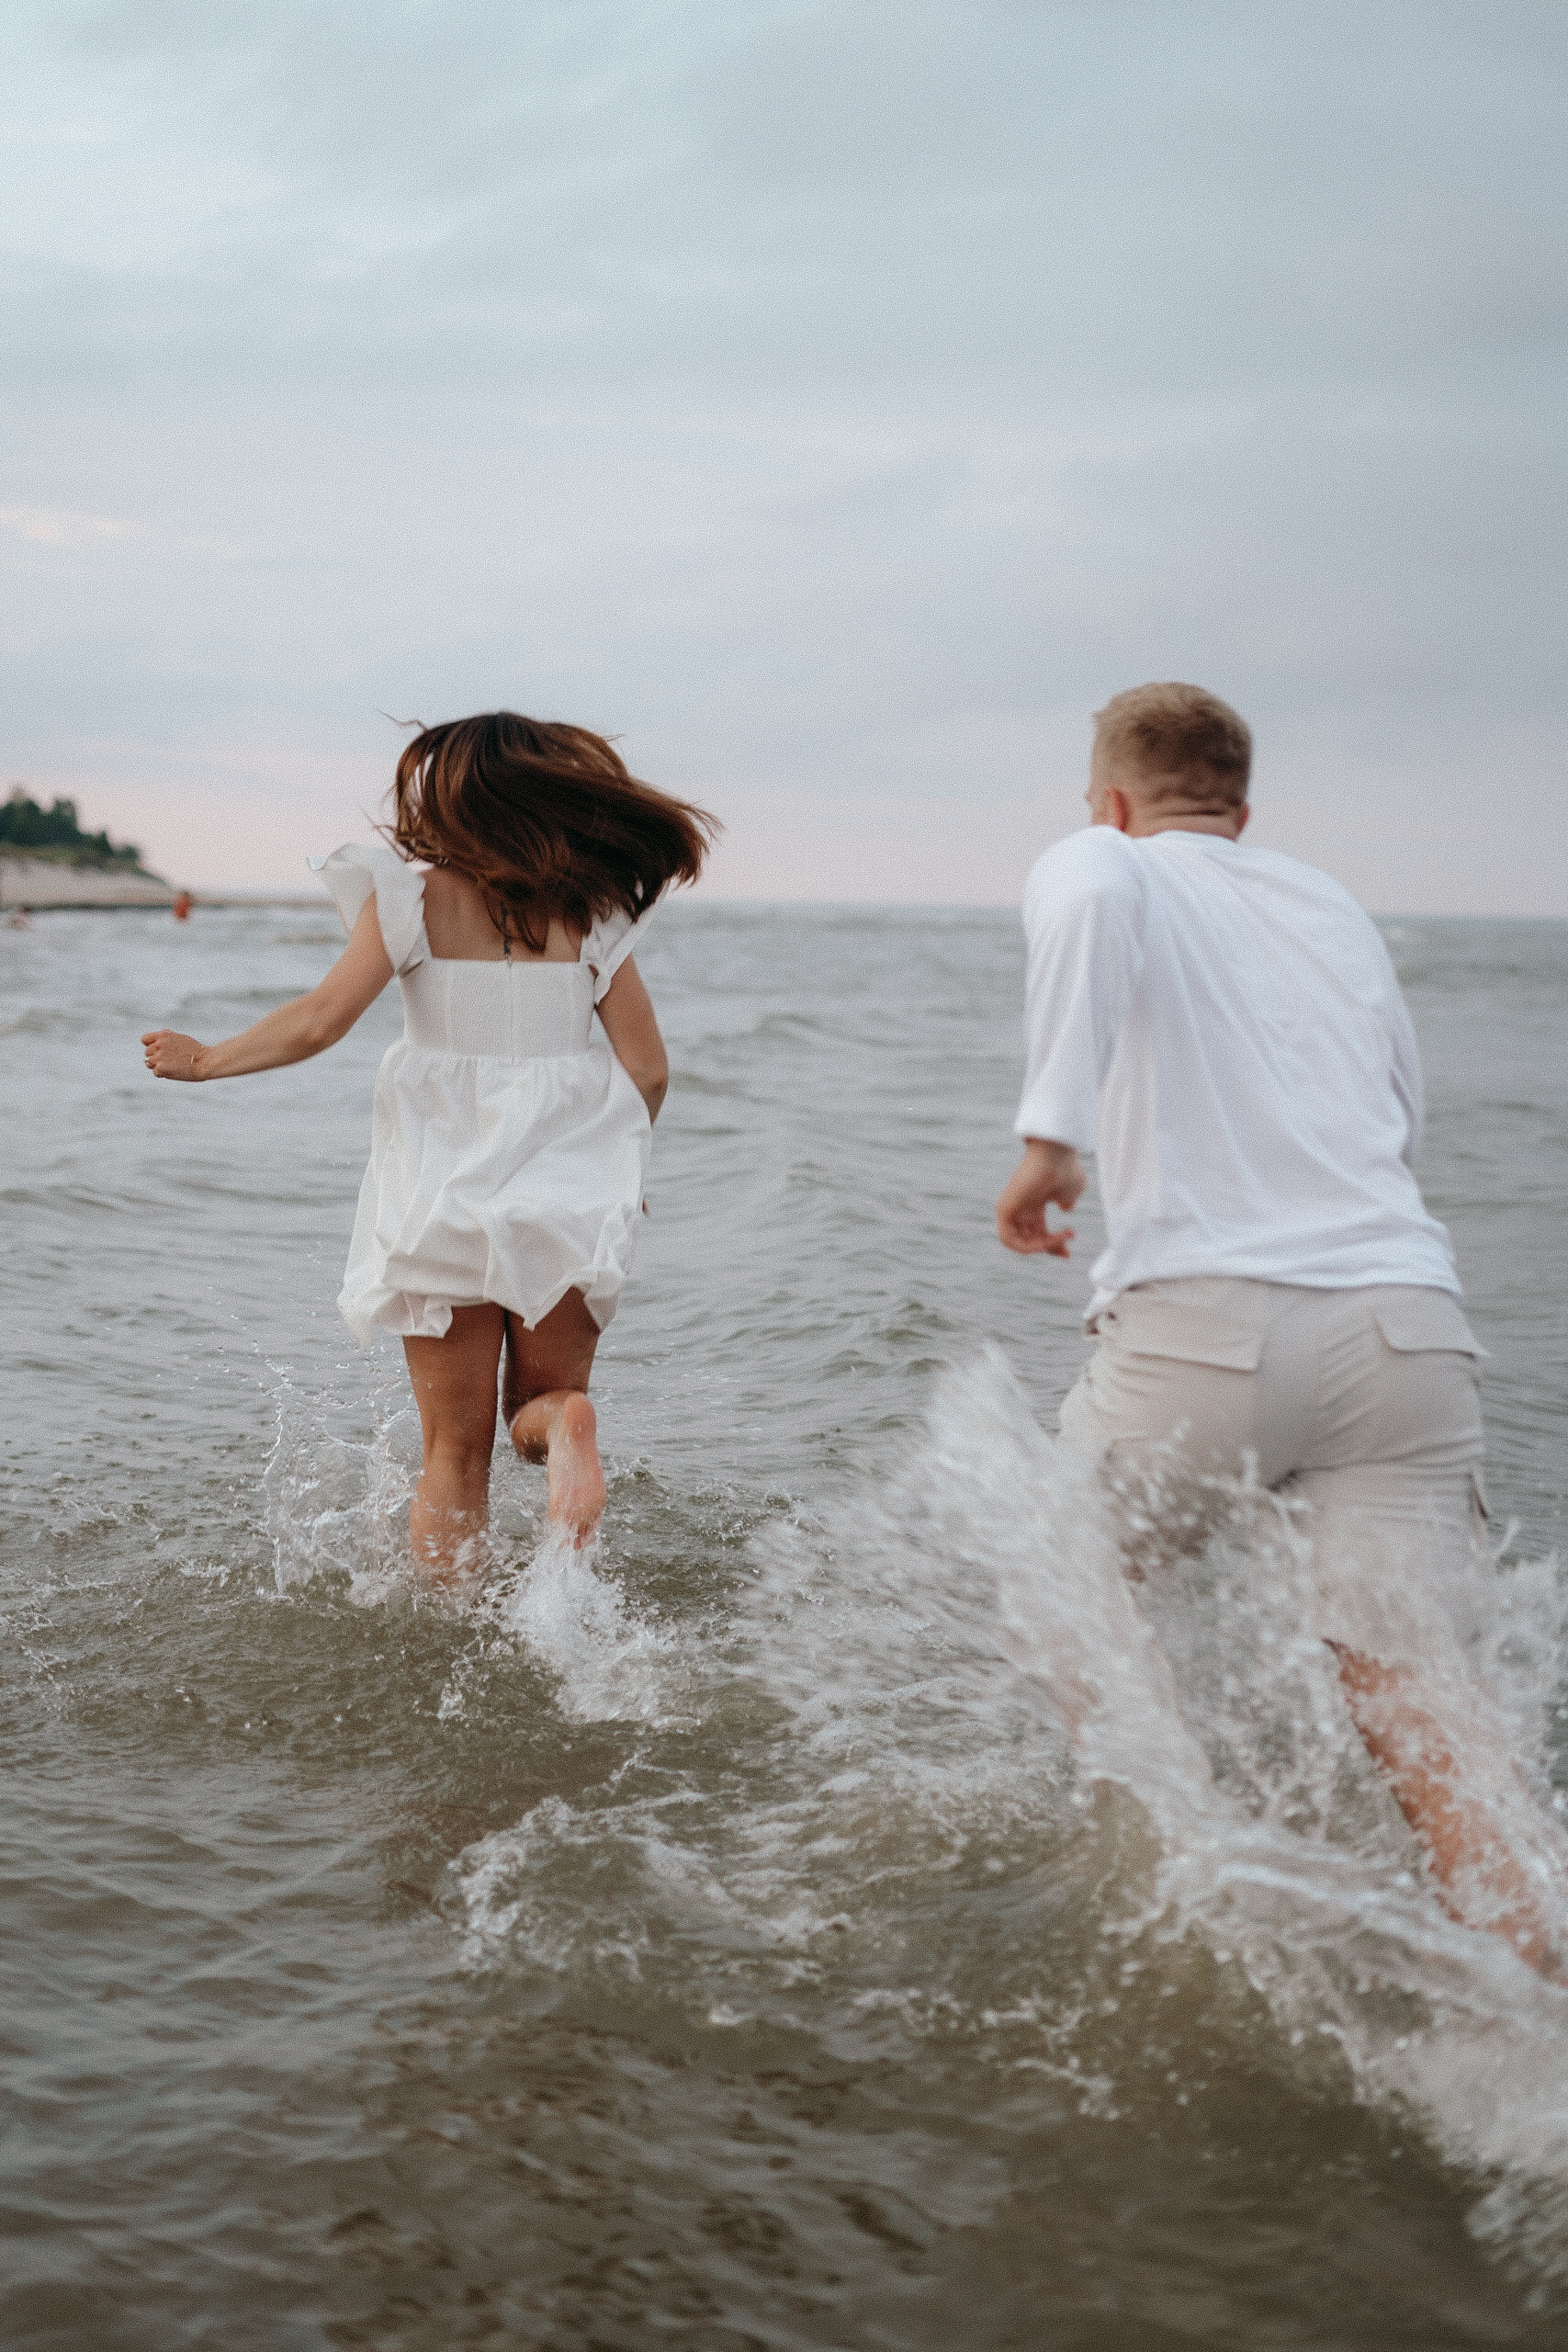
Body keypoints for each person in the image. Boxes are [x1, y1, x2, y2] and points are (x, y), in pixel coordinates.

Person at [996, 682, 1565, 1979]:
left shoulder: (1102, 858)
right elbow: (1397, 1120)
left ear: (1111, 800)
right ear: (1240, 810)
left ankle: (1168, 1898)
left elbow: (1085, 897)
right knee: (1432, 1733)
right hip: (1407, 1336)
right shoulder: (1330, 908)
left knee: (1056, 1589)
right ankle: (1534, 2021)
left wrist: (1049, 1144)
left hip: (1202, 1331)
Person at [143, 713, 715, 1577]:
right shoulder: (593, 913)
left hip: (440, 1183)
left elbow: (320, 1021)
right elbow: (650, 1069)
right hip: (569, 1185)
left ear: (450, 798)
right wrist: (615, 1171)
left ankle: (447, 1646)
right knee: (537, 1402)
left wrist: (206, 1062)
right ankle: (564, 1426)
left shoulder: (411, 899)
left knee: (453, 1448)